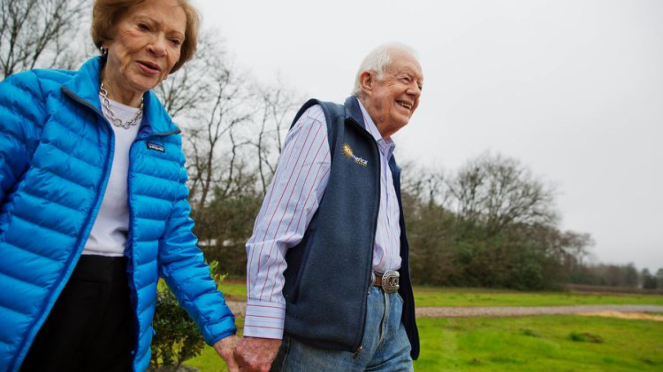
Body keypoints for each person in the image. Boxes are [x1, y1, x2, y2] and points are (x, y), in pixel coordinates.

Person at [0, 0, 238, 371]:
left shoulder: (164, 139)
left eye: (174, 40)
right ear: (109, 30)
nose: (160, 47)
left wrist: (222, 333)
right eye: (145, 27)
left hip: (118, 317)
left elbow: (177, 249)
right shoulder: (35, 96)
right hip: (33, 306)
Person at [233, 43, 424, 372]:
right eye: (406, 79)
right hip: (322, 334)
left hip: (391, 328)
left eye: (421, 86)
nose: (415, 92)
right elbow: (273, 233)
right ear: (368, 81)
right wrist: (262, 330)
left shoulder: (388, 161)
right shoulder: (325, 123)